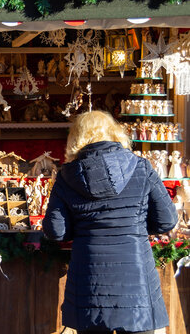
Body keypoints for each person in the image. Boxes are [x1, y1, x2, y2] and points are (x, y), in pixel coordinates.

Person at [43, 111, 177, 334]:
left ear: (76, 138)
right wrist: (136, 226)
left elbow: (56, 231)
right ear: (115, 133)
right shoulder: (141, 167)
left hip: (89, 282)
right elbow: (167, 220)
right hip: (137, 283)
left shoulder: (67, 177)